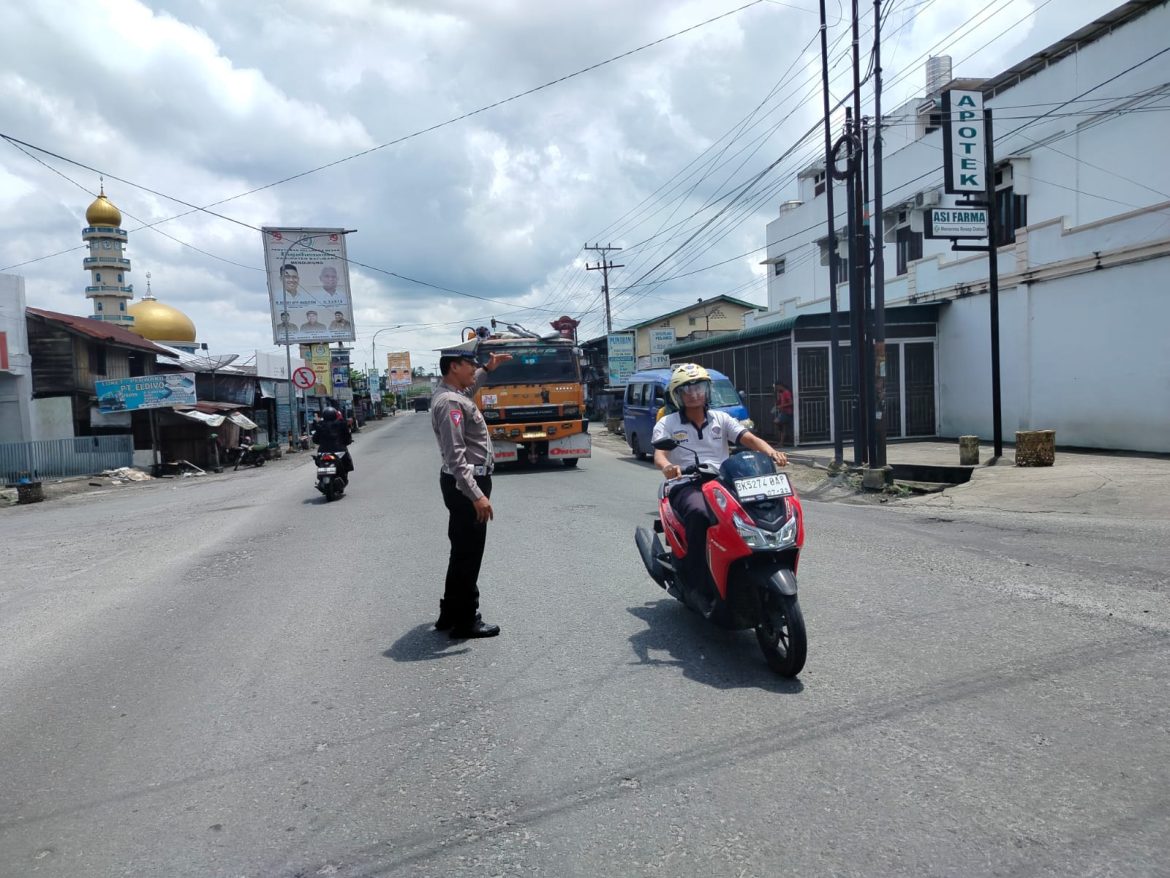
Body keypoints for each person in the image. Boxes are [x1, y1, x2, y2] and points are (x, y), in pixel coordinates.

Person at [652, 363, 787, 601]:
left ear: (707, 391)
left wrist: (771, 452)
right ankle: (694, 576)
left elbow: (749, 439)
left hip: (724, 481)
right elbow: (660, 454)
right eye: (688, 389)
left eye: (699, 387)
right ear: (678, 395)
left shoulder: (721, 419)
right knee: (700, 513)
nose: (694, 393)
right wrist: (668, 467)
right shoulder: (668, 423)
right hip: (686, 483)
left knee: (755, 510)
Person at [430, 341, 513, 639]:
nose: (473, 371)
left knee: (461, 550)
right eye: (470, 365)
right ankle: (466, 620)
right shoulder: (451, 403)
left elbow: (469, 389)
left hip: (461, 484)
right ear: (454, 366)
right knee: (469, 555)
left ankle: (449, 612)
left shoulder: (450, 394)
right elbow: (456, 457)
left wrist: (488, 369)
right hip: (467, 484)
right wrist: (476, 494)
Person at [311, 406, 353, 482]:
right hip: (339, 450)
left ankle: (322, 479)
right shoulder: (341, 424)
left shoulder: (320, 425)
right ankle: (343, 478)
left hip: (323, 451)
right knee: (346, 461)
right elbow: (347, 437)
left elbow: (315, 439)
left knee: (320, 462)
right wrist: (348, 442)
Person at [773, 381, 794, 447]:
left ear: (779, 386)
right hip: (783, 412)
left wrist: (782, 406)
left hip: (787, 412)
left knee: (777, 422)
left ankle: (781, 441)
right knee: (783, 427)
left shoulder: (786, 393)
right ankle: (781, 442)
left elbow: (791, 402)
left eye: (776, 387)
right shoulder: (782, 393)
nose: (776, 389)